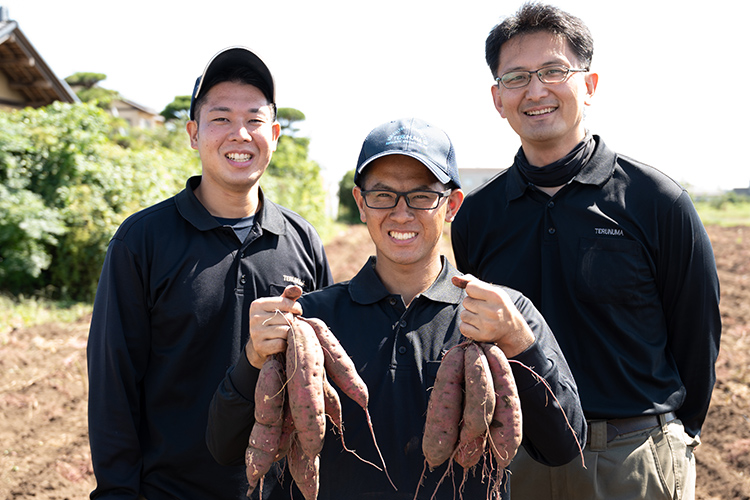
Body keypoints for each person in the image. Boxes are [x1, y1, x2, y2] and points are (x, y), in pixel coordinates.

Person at [206, 117, 587, 499]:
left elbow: (563, 446)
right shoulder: (310, 320)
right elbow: (224, 447)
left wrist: (519, 341)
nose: (401, 214)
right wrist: (253, 358)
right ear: (361, 203)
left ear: (451, 204)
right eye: (383, 195)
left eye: (422, 196)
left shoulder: (503, 314)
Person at [451, 3, 722, 499]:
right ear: (497, 97)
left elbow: (697, 332)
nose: (536, 91)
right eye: (516, 77)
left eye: (554, 71)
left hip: (633, 459)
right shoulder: (478, 217)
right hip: (521, 459)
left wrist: (676, 437)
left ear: (589, 85)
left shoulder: (656, 201)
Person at [86, 46, 334, 500]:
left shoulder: (302, 241)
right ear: (193, 133)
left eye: (255, 120)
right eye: (221, 118)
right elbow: (112, 386)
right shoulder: (142, 241)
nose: (240, 134)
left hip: (278, 490)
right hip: (168, 491)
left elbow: (320, 381)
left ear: (275, 134)